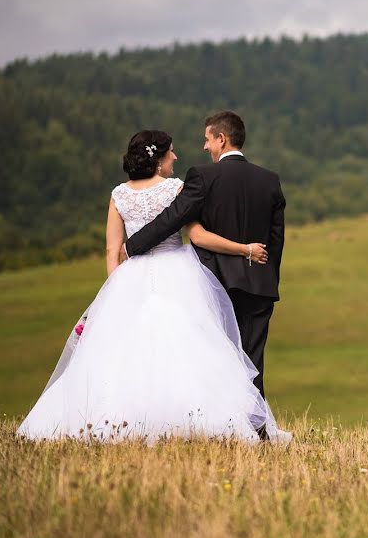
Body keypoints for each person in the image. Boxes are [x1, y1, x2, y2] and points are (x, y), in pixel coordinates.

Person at [17, 129, 290, 444]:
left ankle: (115, 423)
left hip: (130, 277)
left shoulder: (119, 194)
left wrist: (114, 291)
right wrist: (245, 249)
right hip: (177, 272)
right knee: (187, 348)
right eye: (171, 152)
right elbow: (198, 237)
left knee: (124, 355)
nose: (175, 157)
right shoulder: (175, 189)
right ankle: (193, 423)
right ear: (158, 160)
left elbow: (111, 251)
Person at [121, 111, 286, 439]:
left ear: (221, 139)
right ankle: (256, 433)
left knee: (217, 359)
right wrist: (268, 278)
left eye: (208, 139)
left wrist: (134, 245)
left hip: (216, 285)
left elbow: (174, 217)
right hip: (258, 284)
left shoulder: (204, 177)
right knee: (252, 360)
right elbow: (276, 238)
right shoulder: (269, 180)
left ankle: (225, 432)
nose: (204, 145)